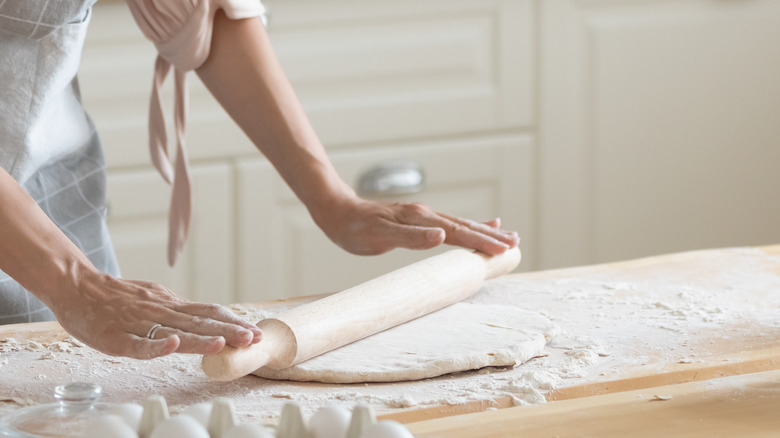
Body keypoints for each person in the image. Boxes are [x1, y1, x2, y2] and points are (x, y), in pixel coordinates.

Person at [0, 0, 519, 360]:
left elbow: (210, 12)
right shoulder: (78, 283)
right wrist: (73, 283)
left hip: (50, 204)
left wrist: (331, 199)